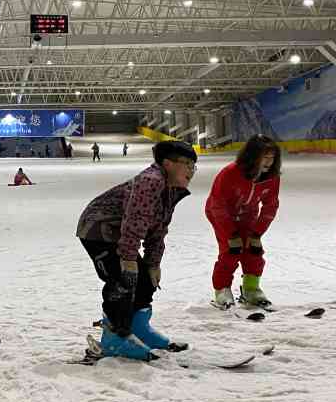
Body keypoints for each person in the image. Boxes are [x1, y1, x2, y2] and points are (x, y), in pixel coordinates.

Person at [76, 141, 196, 360]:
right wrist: (128, 259)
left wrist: (153, 263)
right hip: (98, 229)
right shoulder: (150, 182)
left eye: (193, 165)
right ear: (167, 164)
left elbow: (158, 229)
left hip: (120, 235)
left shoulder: (170, 190)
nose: (191, 170)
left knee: (144, 281)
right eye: (186, 163)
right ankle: (115, 339)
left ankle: (138, 329)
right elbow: (135, 220)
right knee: (122, 281)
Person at [206, 134, 281, 309]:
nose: (269, 162)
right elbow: (218, 206)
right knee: (232, 250)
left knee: (254, 250)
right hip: (221, 214)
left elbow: (270, 206)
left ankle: (251, 288)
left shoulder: (272, 178)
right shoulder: (230, 173)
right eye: (265, 157)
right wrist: (231, 234)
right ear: (252, 156)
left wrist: (257, 234)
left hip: (248, 216)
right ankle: (222, 289)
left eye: (272, 158)